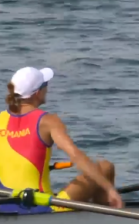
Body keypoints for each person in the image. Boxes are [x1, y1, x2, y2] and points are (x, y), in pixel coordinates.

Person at [0, 67, 123, 214]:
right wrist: (109, 188)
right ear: (38, 93)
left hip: (4, 204)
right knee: (105, 167)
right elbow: (77, 157)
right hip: (42, 207)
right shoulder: (48, 121)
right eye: (45, 85)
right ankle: (105, 219)